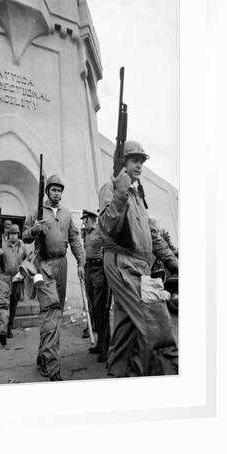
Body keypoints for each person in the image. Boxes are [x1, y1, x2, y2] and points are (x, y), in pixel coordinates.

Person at [98, 140, 179, 377]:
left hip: (139, 267)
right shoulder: (110, 189)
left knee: (126, 333)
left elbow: (152, 235)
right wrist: (120, 192)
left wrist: (173, 261)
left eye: (142, 162)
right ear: (121, 162)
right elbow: (107, 226)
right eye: (135, 160)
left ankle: (120, 378)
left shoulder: (137, 196)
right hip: (124, 263)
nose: (140, 166)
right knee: (159, 324)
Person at [22, 175, 86, 381]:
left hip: (62, 265)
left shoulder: (66, 213)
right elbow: (24, 235)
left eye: (60, 190)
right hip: (43, 266)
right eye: (54, 189)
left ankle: (43, 357)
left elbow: (75, 238)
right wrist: (34, 229)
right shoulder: (37, 212)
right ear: (47, 191)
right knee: (50, 312)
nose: (57, 193)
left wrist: (81, 262)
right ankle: (52, 365)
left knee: (55, 313)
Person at [81, 209, 110, 363]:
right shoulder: (86, 233)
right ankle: (100, 344)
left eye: (84, 219)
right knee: (93, 307)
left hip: (99, 270)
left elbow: (109, 248)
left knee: (101, 310)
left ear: (91, 219)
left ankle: (106, 348)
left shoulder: (100, 230)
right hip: (88, 269)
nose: (83, 222)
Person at [0, 224, 28, 346]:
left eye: (15, 233)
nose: (13, 236)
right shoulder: (2, 245)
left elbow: (26, 260)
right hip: (5, 277)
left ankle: (9, 328)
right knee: (3, 305)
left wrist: (23, 273)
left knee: (14, 304)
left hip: (17, 279)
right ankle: (2, 332)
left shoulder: (22, 246)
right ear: (8, 235)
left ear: (18, 234)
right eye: (11, 234)